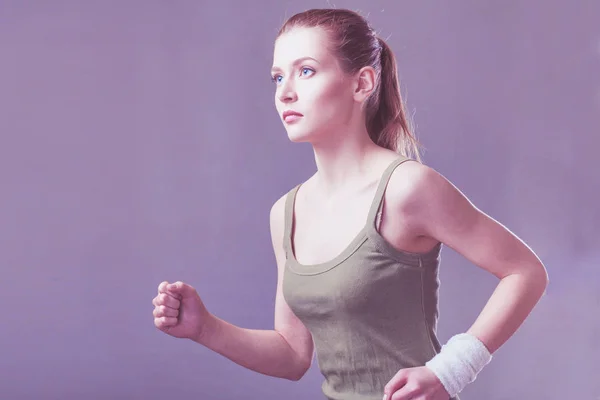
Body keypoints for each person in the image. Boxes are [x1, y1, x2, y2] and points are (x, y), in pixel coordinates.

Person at [151, 8, 548, 400]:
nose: (285, 91)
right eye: (277, 77)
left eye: (305, 71)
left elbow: (525, 272)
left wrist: (451, 370)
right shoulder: (286, 213)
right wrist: (204, 328)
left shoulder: (407, 188)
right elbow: (292, 355)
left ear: (362, 84)